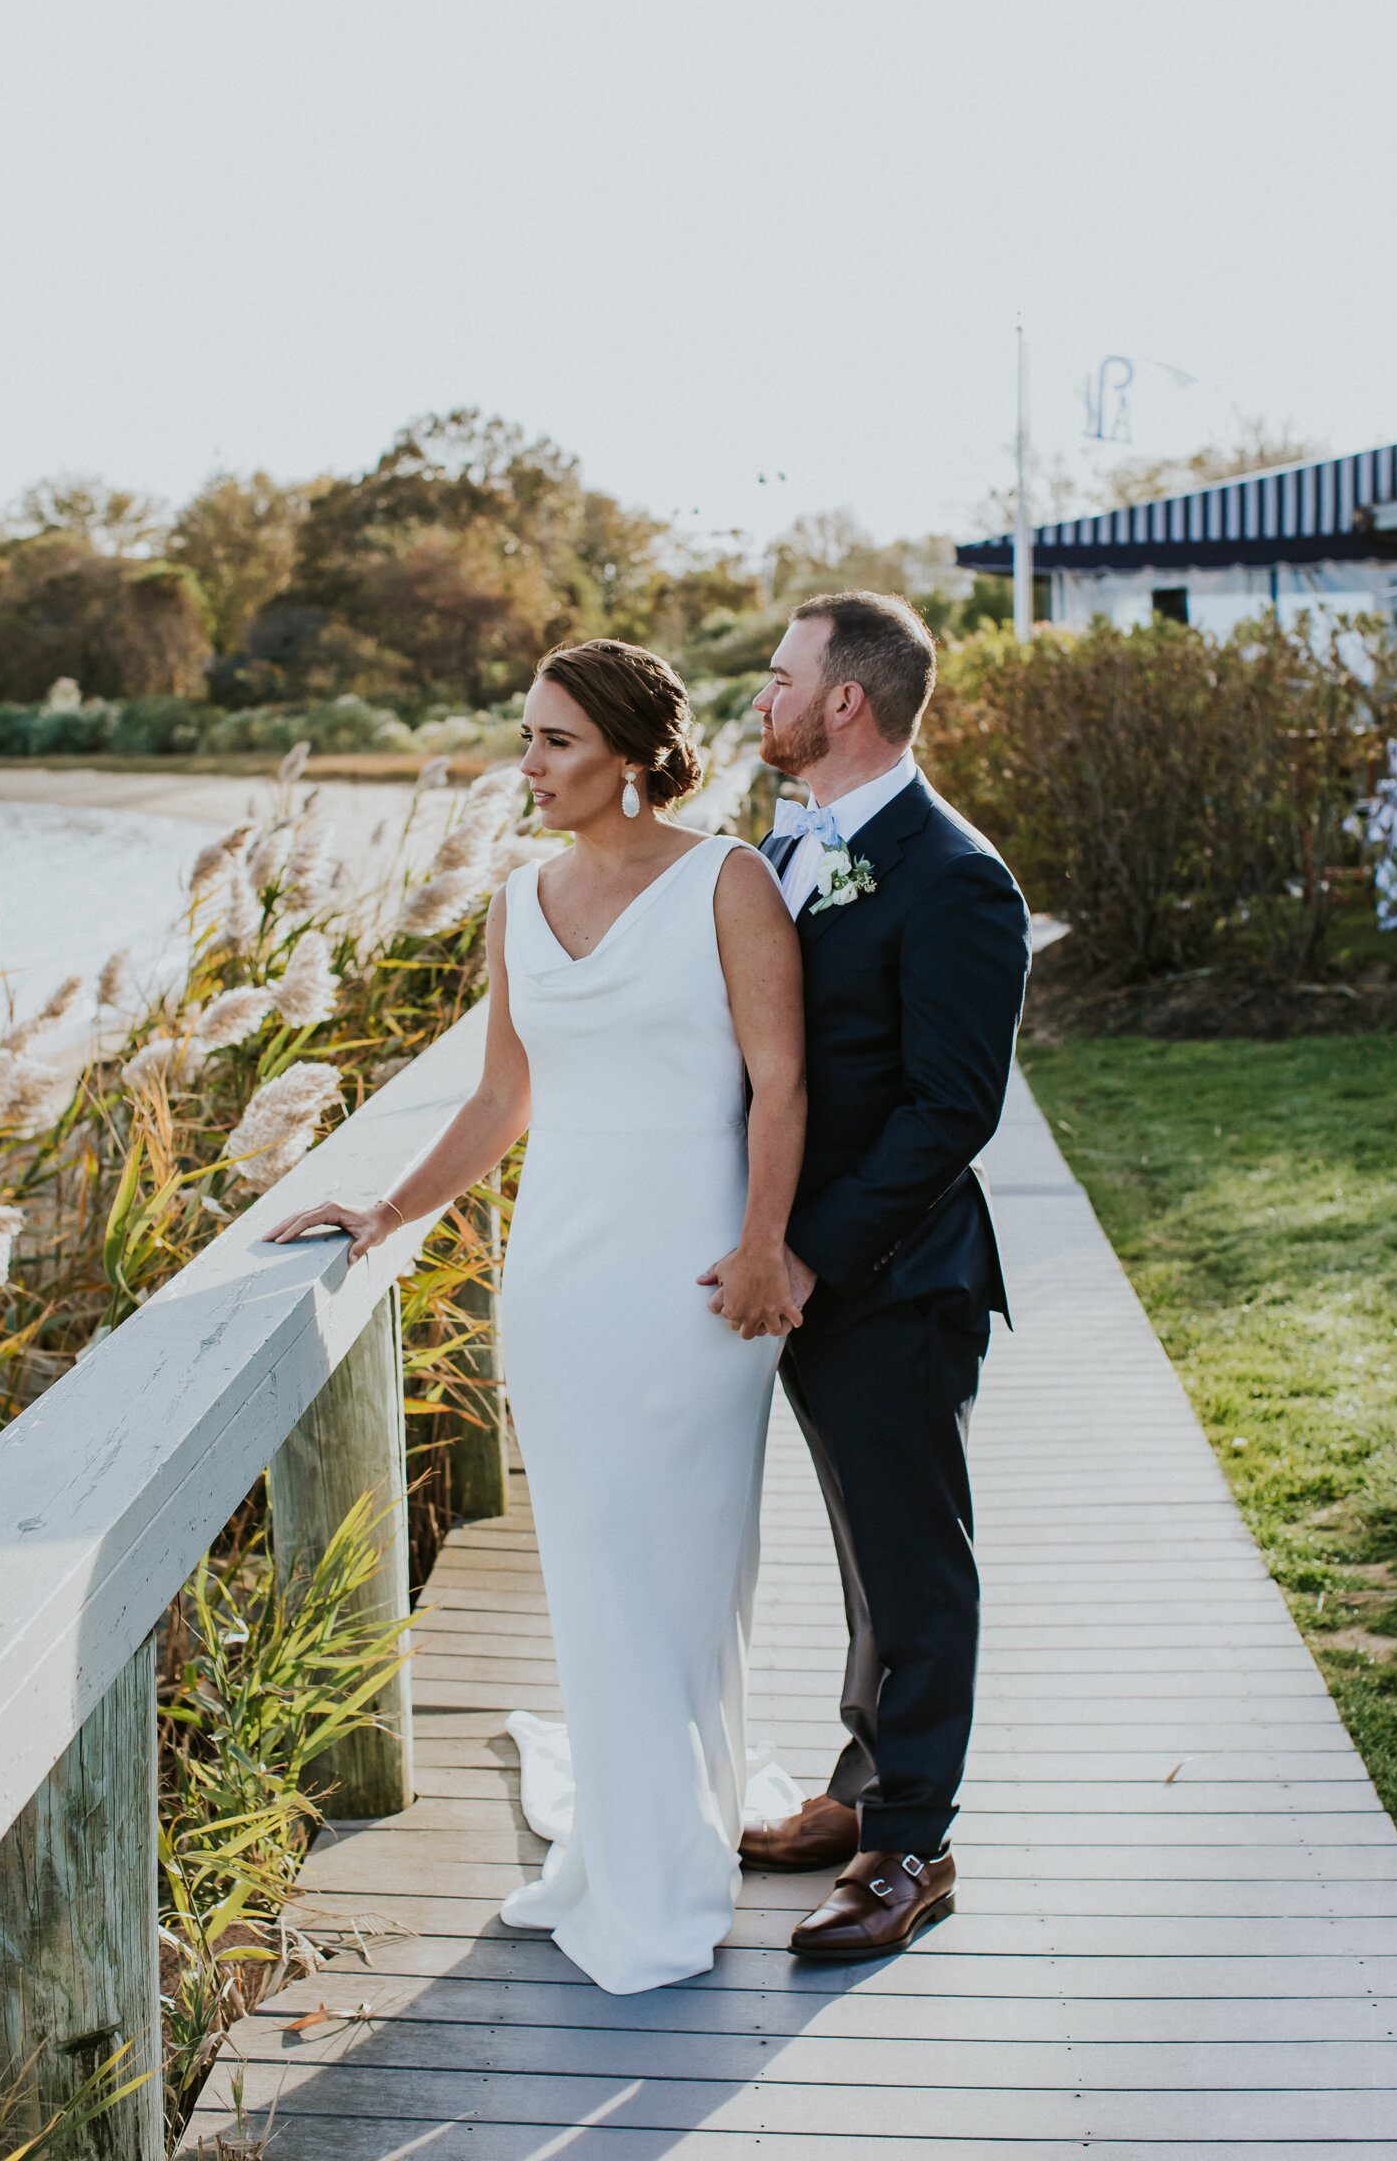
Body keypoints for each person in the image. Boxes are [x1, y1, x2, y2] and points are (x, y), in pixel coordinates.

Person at [266, 638, 807, 1995]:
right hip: (562, 1288)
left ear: (631, 752)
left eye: (556, 741)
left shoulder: (727, 882)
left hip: (698, 1291)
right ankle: (629, 1849)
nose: (531, 767)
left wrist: (762, 1250)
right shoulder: (517, 899)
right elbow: (502, 1103)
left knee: (679, 1573)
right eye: (526, 738)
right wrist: (381, 1213)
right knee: (592, 1573)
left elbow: (783, 1085)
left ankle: (670, 1871)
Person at [729, 590, 1029, 1959]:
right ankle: (862, 1789)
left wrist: (806, 1251)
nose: (761, 696)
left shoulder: (953, 874)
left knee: (914, 1559)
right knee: (862, 1547)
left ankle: (914, 1841)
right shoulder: (794, 843)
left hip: (895, 1280)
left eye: (779, 675)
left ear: (844, 701)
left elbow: (950, 1111)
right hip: (807, 1271)